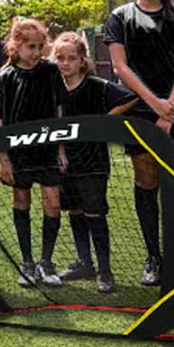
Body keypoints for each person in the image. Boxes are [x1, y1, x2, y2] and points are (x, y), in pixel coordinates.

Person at [103, 0, 174, 287]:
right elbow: (121, 67)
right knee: (146, 181)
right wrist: (154, 104)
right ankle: (153, 259)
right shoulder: (119, 17)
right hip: (141, 110)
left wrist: (170, 108)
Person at [51, 31, 136, 293]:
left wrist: (103, 122)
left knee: (94, 212)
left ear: (82, 60)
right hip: (65, 161)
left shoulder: (97, 86)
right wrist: (60, 152)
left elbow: (130, 97)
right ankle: (83, 263)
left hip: (93, 162)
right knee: (75, 210)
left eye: (71, 58)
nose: (65, 63)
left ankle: (105, 270)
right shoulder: (53, 90)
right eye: (60, 58)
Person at [0, 17, 66, 288]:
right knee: (22, 202)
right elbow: (0, 122)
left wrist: (61, 149)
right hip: (19, 154)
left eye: (40, 46)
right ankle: (27, 263)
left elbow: (59, 112)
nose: (36, 52)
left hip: (47, 151)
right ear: (16, 46)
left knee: (52, 204)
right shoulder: (7, 77)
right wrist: (4, 159)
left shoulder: (51, 71)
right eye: (31, 46)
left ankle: (46, 262)